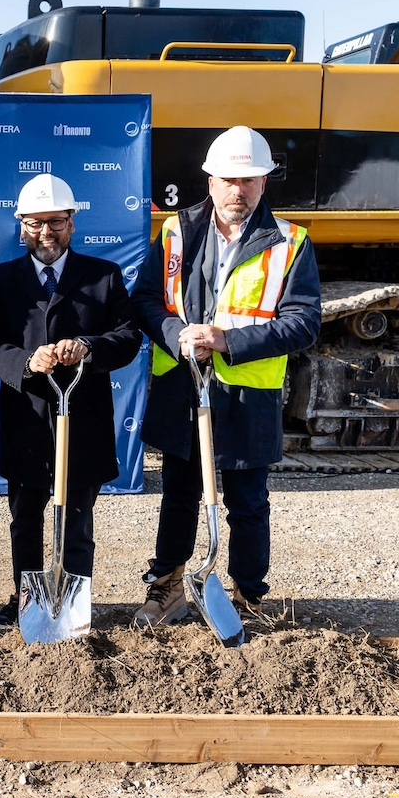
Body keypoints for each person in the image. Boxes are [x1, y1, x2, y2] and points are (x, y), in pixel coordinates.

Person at [131, 125, 321, 625]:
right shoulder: (176, 232)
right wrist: (178, 335)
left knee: (248, 502)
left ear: (264, 183)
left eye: (250, 180)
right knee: (178, 494)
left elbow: (304, 323)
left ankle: (247, 595)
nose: (239, 190)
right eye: (229, 180)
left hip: (246, 393)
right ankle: (168, 585)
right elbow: (147, 302)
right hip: (182, 386)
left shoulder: (290, 242)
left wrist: (227, 342)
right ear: (210, 180)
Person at [0, 173, 141, 628]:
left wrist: (88, 346)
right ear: (20, 226)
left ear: (72, 222)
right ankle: (26, 599)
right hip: (26, 418)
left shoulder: (103, 277)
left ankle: (72, 602)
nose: (45, 233)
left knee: (77, 521)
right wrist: (29, 362)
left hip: (83, 420)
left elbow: (127, 337)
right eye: (35, 223)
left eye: (55, 222)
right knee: (25, 519)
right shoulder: (0, 279)